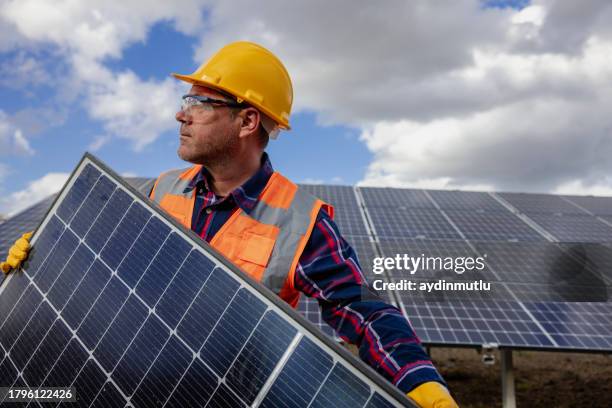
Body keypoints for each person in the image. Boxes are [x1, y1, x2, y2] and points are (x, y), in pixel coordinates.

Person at [1, 41, 458, 408]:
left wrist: (419, 381)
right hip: (130, 380)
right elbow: (98, 255)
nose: (182, 114)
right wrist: (49, 246)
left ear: (247, 120)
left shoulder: (303, 221)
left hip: (225, 392)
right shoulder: (161, 190)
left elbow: (365, 310)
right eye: (186, 100)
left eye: (200, 103)